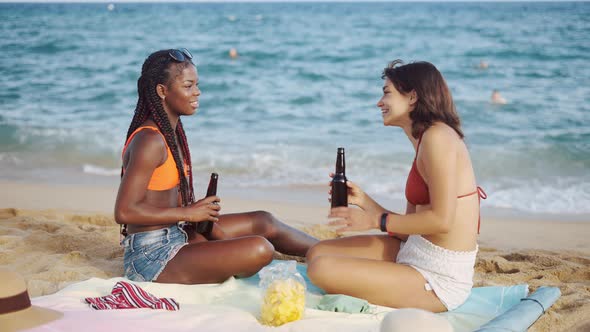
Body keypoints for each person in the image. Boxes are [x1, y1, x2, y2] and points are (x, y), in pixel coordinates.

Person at [115, 48, 317, 285]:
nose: (197, 92)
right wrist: (188, 213)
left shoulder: (171, 133)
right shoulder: (149, 140)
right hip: (151, 257)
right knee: (260, 249)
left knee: (263, 221)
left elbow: (162, 198)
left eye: (197, 84)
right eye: (188, 85)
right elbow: (124, 212)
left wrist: (199, 213)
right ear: (162, 91)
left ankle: (329, 251)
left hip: (178, 234)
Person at [306, 60, 486, 312]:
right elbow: (410, 228)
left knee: (320, 268)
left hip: (438, 276)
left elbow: (442, 221)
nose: (379, 102)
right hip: (414, 249)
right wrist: (365, 201)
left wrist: (373, 221)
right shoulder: (423, 139)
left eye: (387, 93)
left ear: (412, 97)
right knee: (317, 253)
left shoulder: (438, 138)